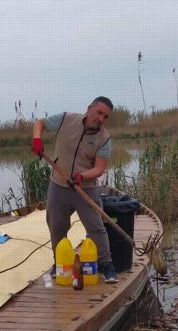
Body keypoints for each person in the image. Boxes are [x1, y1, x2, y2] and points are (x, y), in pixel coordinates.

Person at [31, 96, 119, 283]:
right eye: (99, 113)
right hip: (59, 185)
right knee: (56, 227)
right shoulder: (66, 119)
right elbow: (39, 123)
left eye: (105, 116)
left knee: (96, 227)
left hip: (85, 188)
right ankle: (59, 264)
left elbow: (99, 168)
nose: (101, 119)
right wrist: (37, 139)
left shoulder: (104, 138)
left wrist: (82, 176)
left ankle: (107, 264)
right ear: (89, 108)